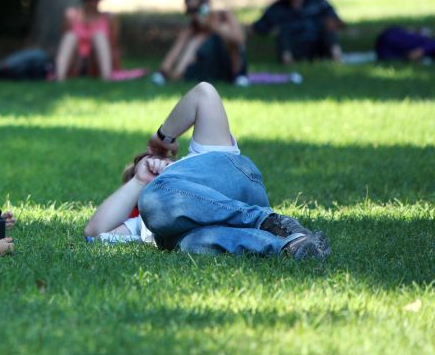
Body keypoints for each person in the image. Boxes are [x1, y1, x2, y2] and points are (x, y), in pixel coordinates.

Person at [84, 82, 330, 259]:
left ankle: (266, 220)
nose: (155, 168)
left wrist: (163, 137)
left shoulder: (201, 156)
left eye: (154, 161)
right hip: (206, 229)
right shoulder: (144, 224)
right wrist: (138, 181)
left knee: (155, 200)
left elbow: (204, 93)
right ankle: (293, 245)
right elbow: (94, 232)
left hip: (235, 183)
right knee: (192, 243)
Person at [153, 0, 246, 84]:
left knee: (225, 34)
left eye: (196, 10)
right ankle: (174, 75)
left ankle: (238, 77)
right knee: (196, 40)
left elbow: (239, 40)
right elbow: (176, 51)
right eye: (190, 11)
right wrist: (163, 72)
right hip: (207, 69)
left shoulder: (223, 17)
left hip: (230, 65)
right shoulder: (193, 29)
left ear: (205, 7)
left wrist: (214, 26)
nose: (194, 15)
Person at [252, 0, 344, 64]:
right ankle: (288, 63)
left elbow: (338, 22)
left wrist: (332, 24)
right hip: (296, 46)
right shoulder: (277, 8)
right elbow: (258, 28)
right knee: (284, 32)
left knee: (327, 31)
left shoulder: (316, 0)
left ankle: (336, 59)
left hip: (318, 42)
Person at [55, 0, 120, 81]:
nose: (93, 1)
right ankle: (59, 78)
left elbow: (113, 45)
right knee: (70, 36)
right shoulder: (71, 15)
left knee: (99, 36)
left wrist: (116, 65)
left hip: (96, 62)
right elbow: (64, 43)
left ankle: (106, 78)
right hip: (77, 61)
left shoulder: (109, 18)